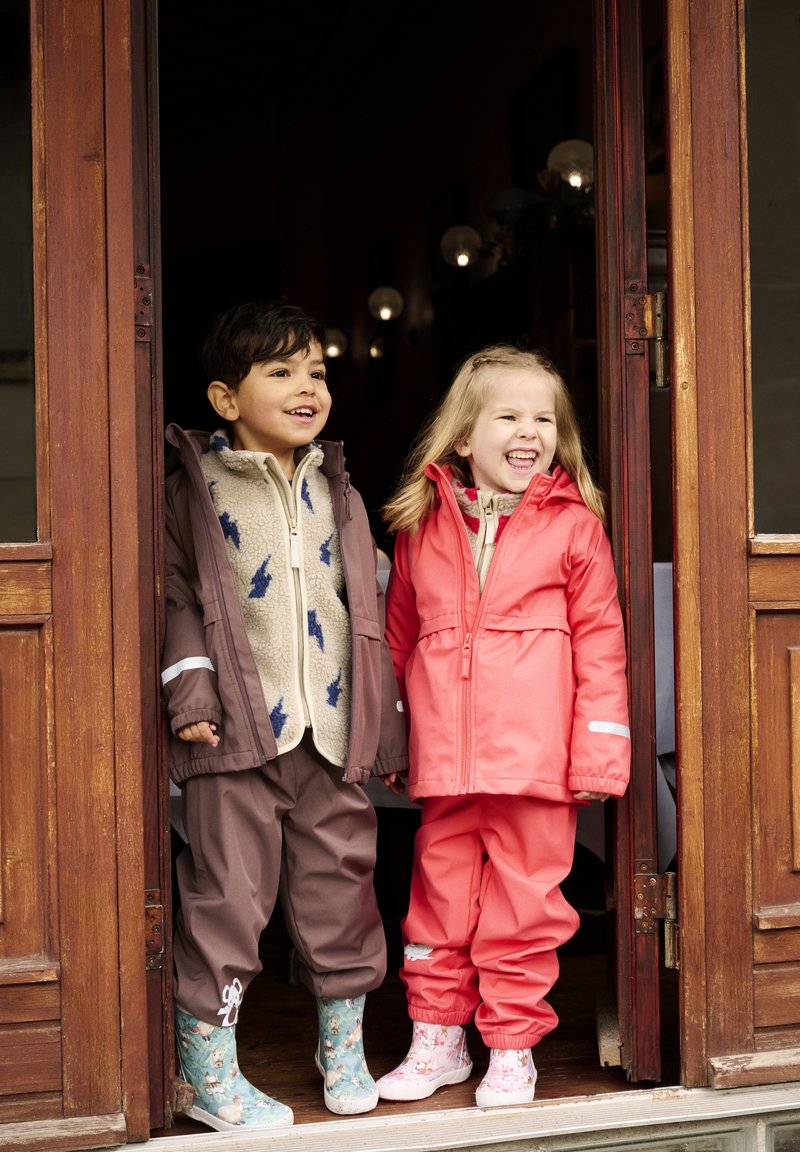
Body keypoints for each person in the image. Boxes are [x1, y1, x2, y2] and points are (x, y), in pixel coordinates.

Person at [161, 299, 407, 1132]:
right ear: (226, 398)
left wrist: (388, 720)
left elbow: (368, 610)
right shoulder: (194, 491)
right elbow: (176, 602)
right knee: (229, 896)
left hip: (328, 733)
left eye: (319, 372)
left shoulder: (338, 491)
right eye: (282, 371)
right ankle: (209, 1069)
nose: (308, 386)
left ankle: (343, 1049)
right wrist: (190, 695)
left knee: (343, 890)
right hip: (236, 732)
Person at [374, 344, 631, 1109]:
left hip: (536, 761)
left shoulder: (575, 529)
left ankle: (512, 1047)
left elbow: (602, 643)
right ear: (461, 436)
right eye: (509, 416)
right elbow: (399, 641)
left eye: (544, 418)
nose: (530, 432)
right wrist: (395, 737)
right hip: (449, 763)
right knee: (436, 901)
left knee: (526, 906)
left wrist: (597, 751)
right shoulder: (420, 528)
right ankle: (438, 1040)